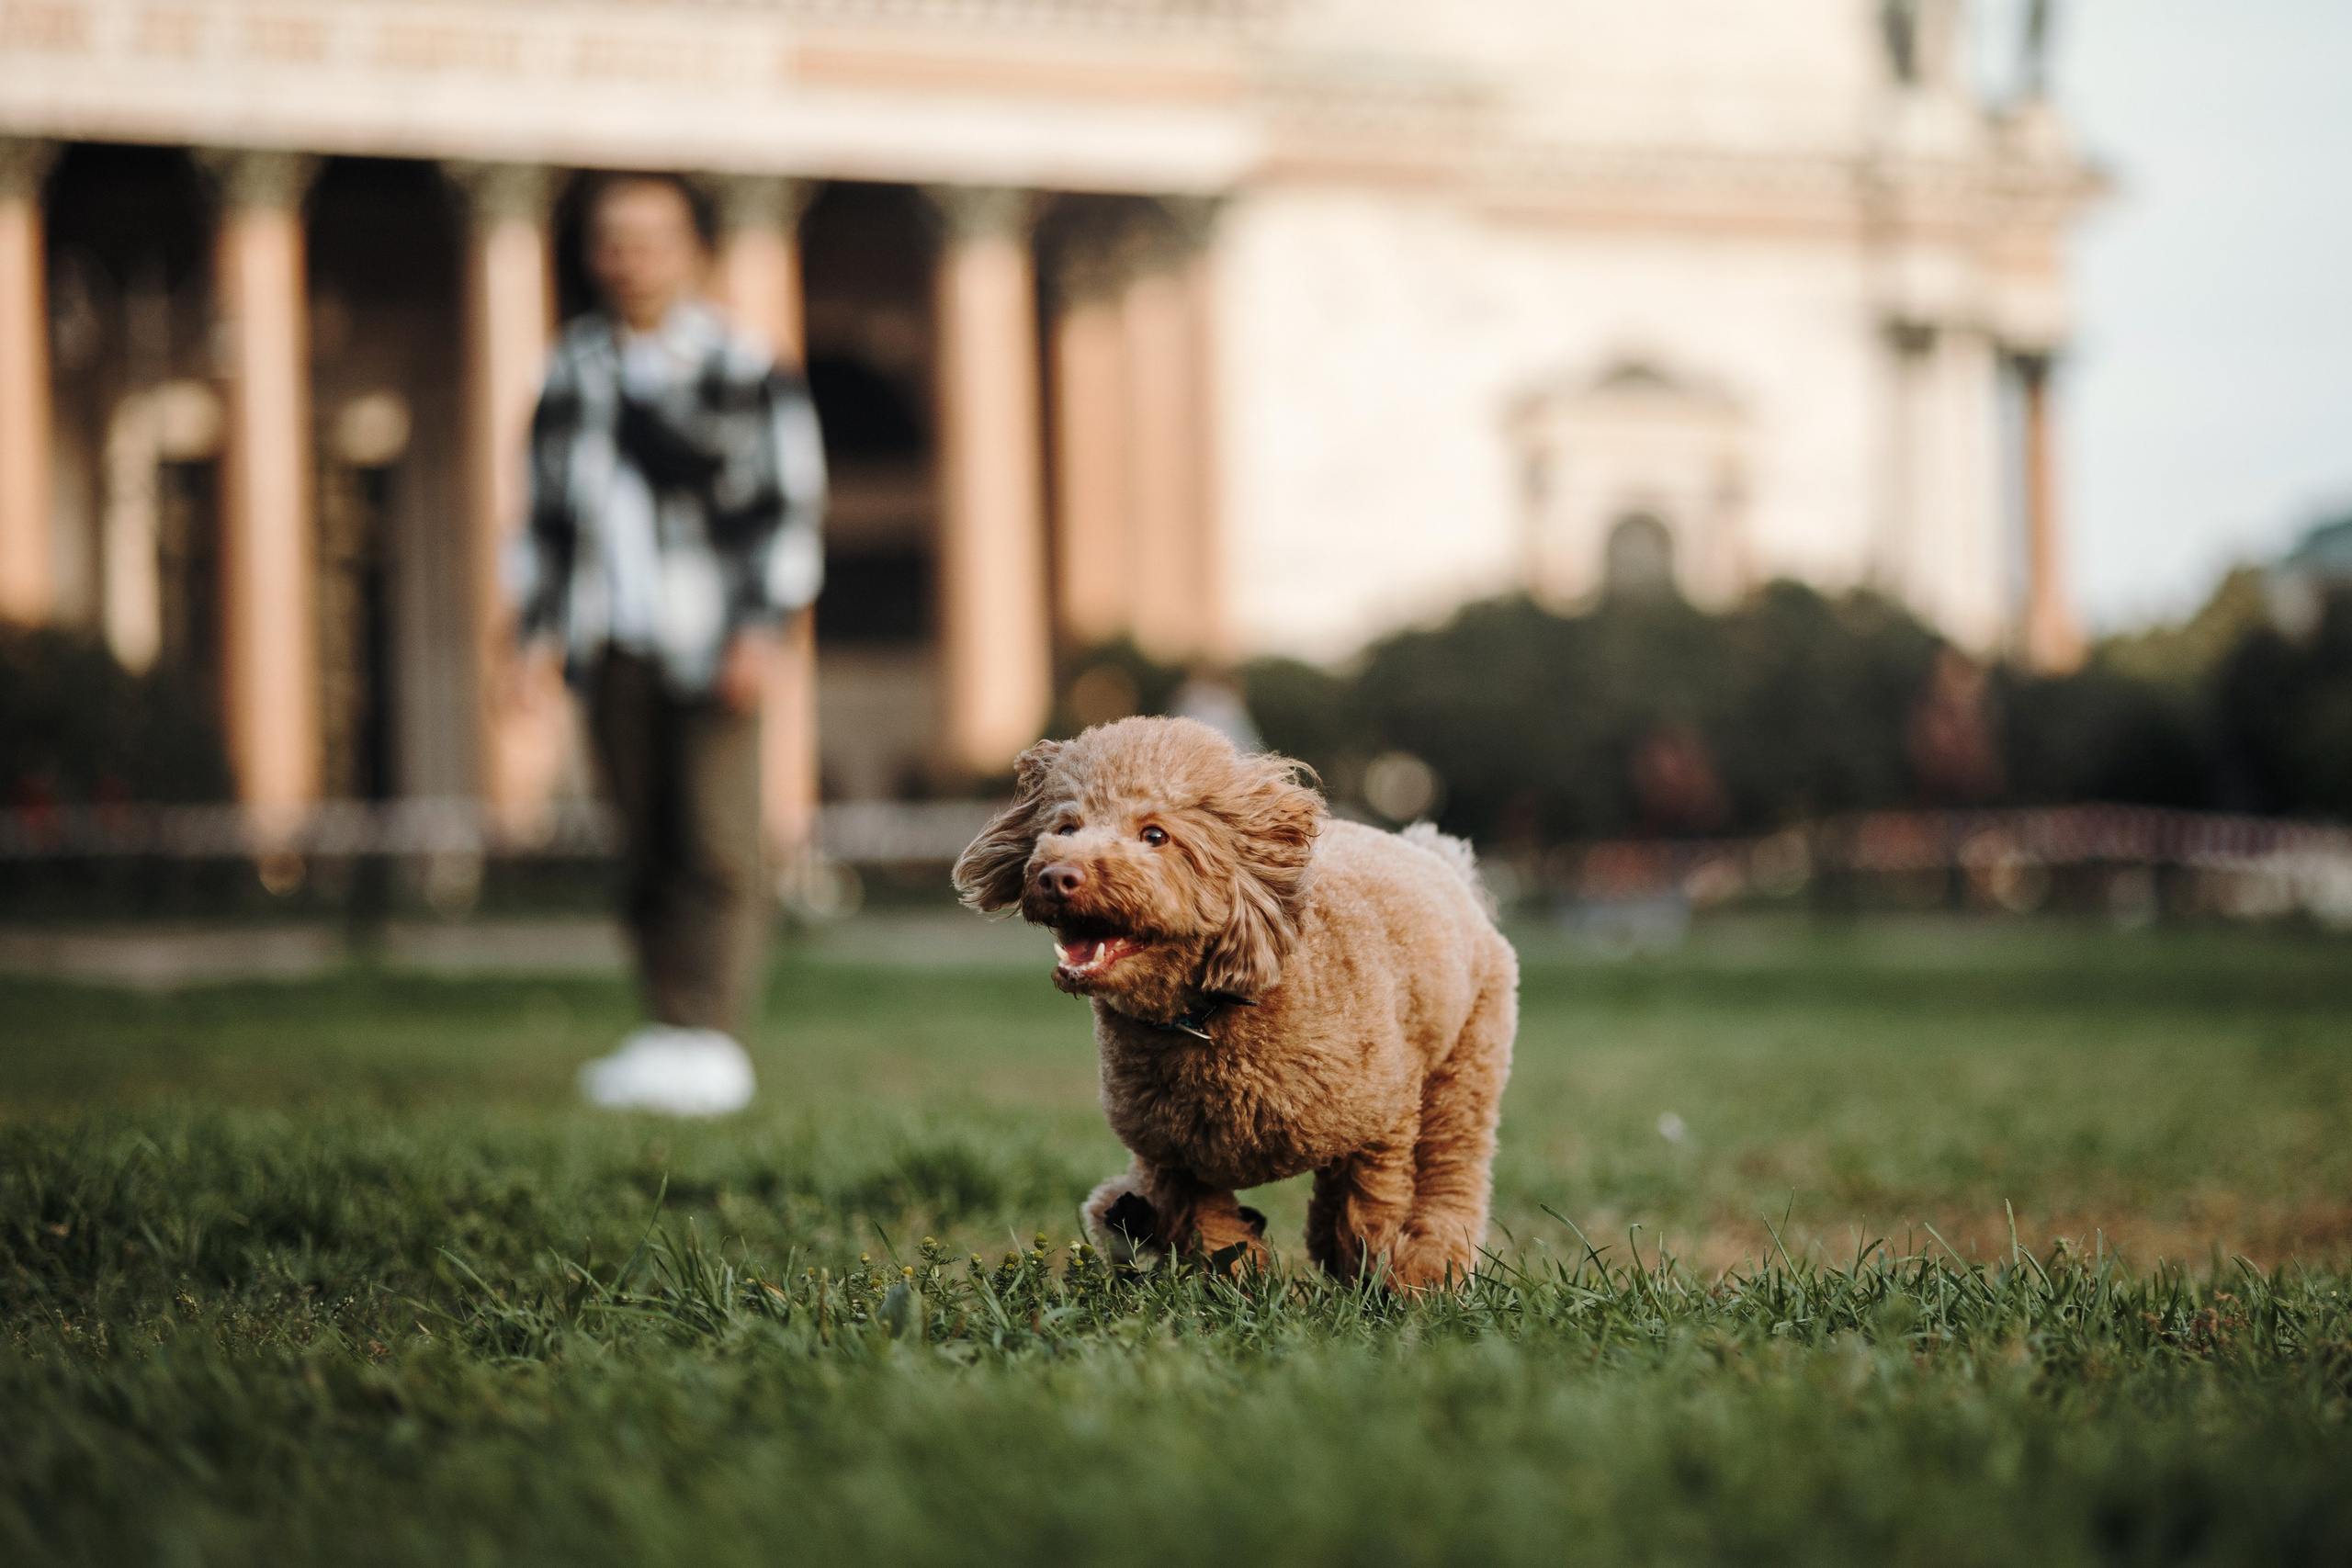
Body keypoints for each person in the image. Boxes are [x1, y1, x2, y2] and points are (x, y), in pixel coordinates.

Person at [506, 174, 826, 1115]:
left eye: (651, 239)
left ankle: (714, 1037)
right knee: (641, 843)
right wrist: (526, 637)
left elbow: (789, 507)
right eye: (613, 239)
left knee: (720, 841)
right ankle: (665, 1027)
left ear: (692, 250)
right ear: (590, 253)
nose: (630, 257)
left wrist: (763, 630)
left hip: (714, 638)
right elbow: (540, 519)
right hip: (610, 641)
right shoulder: (568, 369)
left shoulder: (742, 362)